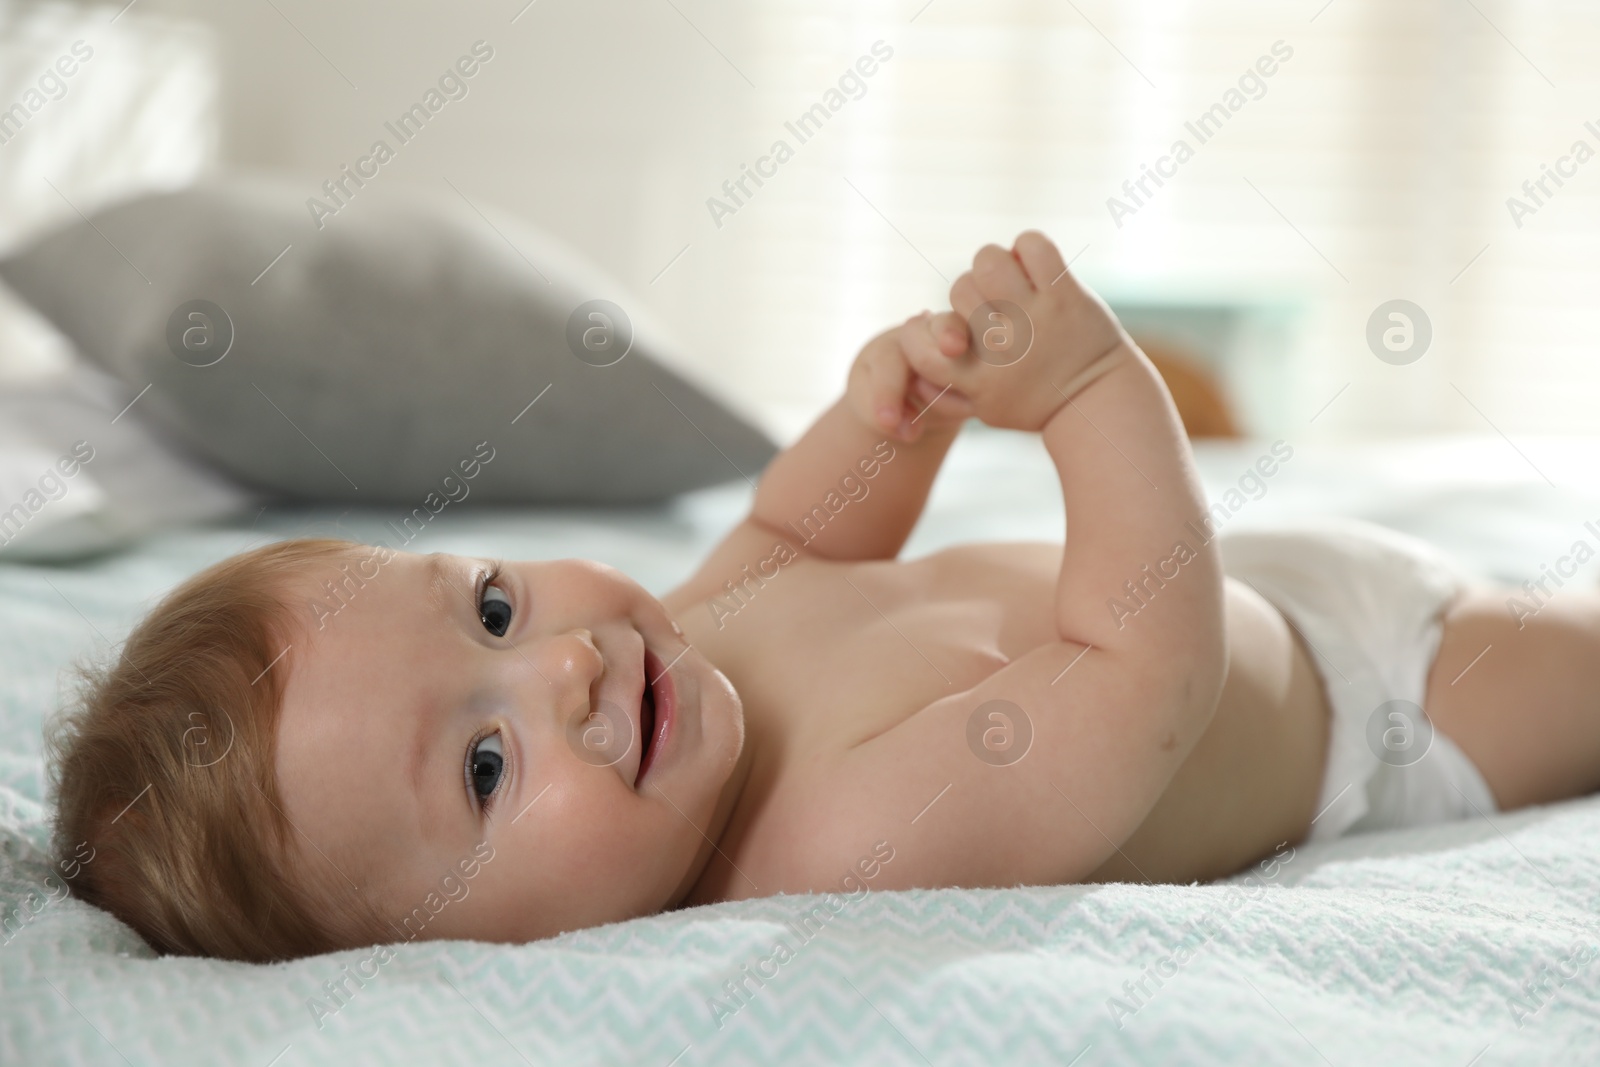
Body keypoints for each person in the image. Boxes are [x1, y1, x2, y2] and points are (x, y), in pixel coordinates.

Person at [45, 231, 1600, 963]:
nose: (568, 671)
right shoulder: (842, 846)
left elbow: (797, 540)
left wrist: (882, 423)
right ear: (448, 953)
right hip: (1373, 709)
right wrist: (1094, 399)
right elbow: (1144, 675)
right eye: (483, 768)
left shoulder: (673, 671)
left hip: (1250, 575)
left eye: (497, 612)